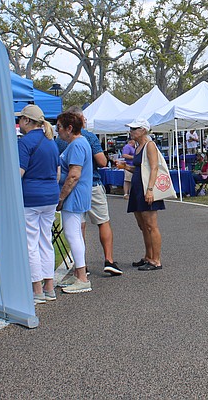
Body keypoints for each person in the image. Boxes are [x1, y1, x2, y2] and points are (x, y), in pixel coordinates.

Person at [56, 106, 122, 277]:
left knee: (78, 228)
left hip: (73, 187)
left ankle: (82, 265)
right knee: (102, 221)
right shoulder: (89, 138)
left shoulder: (61, 141)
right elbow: (102, 162)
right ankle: (108, 259)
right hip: (91, 184)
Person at [16, 105, 61, 304]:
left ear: (26, 120)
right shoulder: (51, 141)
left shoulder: (25, 143)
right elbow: (58, 173)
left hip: (31, 197)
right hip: (50, 195)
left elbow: (19, 173)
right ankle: (49, 285)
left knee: (31, 243)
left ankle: (37, 288)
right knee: (45, 241)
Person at [55, 111, 94, 293]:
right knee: (75, 234)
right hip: (78, 194)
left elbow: (74, 175)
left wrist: (61, 197)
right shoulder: (78, 143)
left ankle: (82, 277)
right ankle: (80, 274)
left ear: (69, 128)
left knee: (72, 234)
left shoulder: (77, 145)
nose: (58, 131)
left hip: (74, 195)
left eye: (60, 128)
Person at [124, 118, 165, 270]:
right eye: (131, 129)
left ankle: (156, 260)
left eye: (134, 129)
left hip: (145, 188)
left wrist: (150, 189)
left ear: (143, 130)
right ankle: (148, 256)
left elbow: (154, 168)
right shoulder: (138, 146)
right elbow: (141, 169)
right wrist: (126, 167)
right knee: (142, 225)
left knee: (151, 225)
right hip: (137, 187)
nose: (131, 132)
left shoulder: (150, 145)